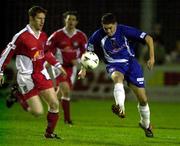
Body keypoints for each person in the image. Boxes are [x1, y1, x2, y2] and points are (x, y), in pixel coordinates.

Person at [78, 13, 155, 137]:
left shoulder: (125, 30)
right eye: (105, 28)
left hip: (131, 63)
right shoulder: (97, 36)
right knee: (117, 78)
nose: (108, 31)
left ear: (116, 25)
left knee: (143, 99)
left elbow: (148, 38)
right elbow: (88, 53)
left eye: (110, 28)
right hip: (114, 64)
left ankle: (145, 124)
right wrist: (83, 69)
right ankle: (120, 107)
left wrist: (152, 58)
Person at [0, 6, 67, 139]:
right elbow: (7, 53)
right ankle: (17, 95)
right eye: (39, 19)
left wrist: (58, 65)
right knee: (37, 112)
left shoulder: (43, 35)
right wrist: (0, 71)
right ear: (31, 18)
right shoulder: (21, 36)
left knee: (54, 104)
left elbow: (46, 53)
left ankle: (49, 133)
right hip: (26, 77)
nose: (42, 22)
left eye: (44, 19)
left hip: (41, 74)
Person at [46, 11, 87, 125]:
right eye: (69, 19)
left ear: (77, 22)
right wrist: (50, 61)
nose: (71, 22)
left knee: (59, 95)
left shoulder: (81, 36)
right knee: (66, 91)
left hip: (72, 68)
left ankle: (51, 111)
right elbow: (47, 49)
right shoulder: (57, 35)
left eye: (73, 19)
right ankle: (67, 120)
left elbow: (85, 54)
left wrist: (80, 64)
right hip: (59, 67)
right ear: (65, 20)